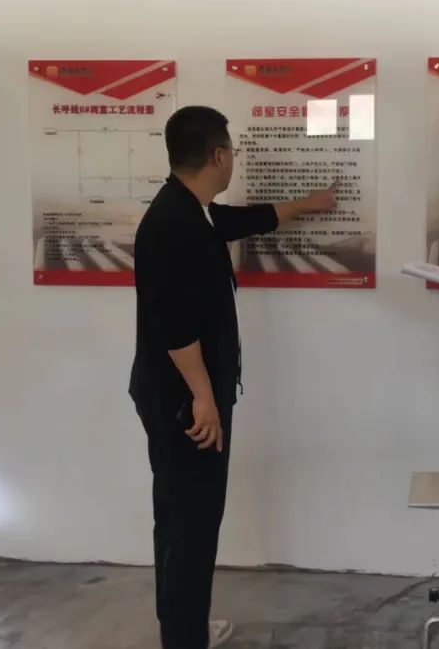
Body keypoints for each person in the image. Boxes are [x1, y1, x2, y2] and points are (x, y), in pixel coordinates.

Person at [129, 105, 336, 648]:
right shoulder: (173, 224)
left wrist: (305, 205)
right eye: (233, 152)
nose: (234, 161)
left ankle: (183, 627)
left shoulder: (189, 210)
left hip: (184, 395)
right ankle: (185, 637)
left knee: (181, 517)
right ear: (219, 155)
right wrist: (204, 397)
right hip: (185, 403)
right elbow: (172, 325)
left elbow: (238, 221)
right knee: (191, 522)